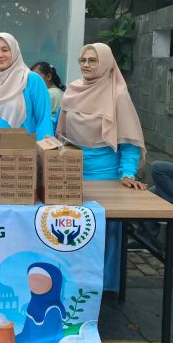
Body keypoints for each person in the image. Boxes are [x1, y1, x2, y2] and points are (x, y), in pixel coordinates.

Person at [57, 42, 146, 292]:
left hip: (105, 175)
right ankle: (74, 286)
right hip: (71, 171)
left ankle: (104, 288)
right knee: (72, 229)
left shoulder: (117, 94)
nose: (86, 65)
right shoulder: (72, 90)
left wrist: (127, 173)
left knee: (107, 231)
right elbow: (59, 130)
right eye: (83, 60)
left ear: (106, 63)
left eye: (92, 60)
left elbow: (129, 142)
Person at [0, 33, 53, 141]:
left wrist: (44, 147)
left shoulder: (31, 80)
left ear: (14, 51)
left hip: (24, 149)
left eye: (5, 50)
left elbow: (44, 120)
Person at [16, 263, 66, 343]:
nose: (34, 284)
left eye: (40, 280)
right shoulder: (34, 303)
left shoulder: (53, 309)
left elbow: (48, 338)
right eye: (32, 280)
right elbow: (26, 332)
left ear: (54, 283)